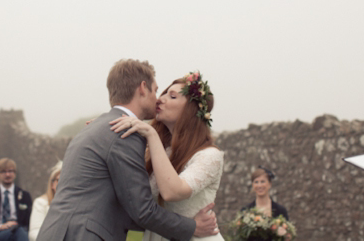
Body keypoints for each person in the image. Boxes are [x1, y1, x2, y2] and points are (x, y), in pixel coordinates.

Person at [37, 59, 218, 241]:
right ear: (142, 88)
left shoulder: (101, 128)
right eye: (156, 91)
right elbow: (143, 210)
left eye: (169, 96)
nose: (158, 99)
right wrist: (192, 226)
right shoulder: (122, 133)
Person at [110, 71, 225, 241]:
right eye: (163, 93)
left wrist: (151, 135)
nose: (160, 99)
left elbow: (172, 192)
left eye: (172, 97)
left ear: (191, 110)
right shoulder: (156, 149)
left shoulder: (210, 156)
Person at [0, 158, 32, 241]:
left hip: (19, 232)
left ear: (15, 174)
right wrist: (1, 226)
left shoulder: (25, 195)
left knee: (20, 231)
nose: (7, 175)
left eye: (10, 171)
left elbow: (28, 220)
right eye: (3, 172)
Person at [27, 161, 62, 241]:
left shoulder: (76, 204)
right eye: (59, 180)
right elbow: (34, 233)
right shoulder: (41, 203)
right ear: (52, 184)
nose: (62, 184)